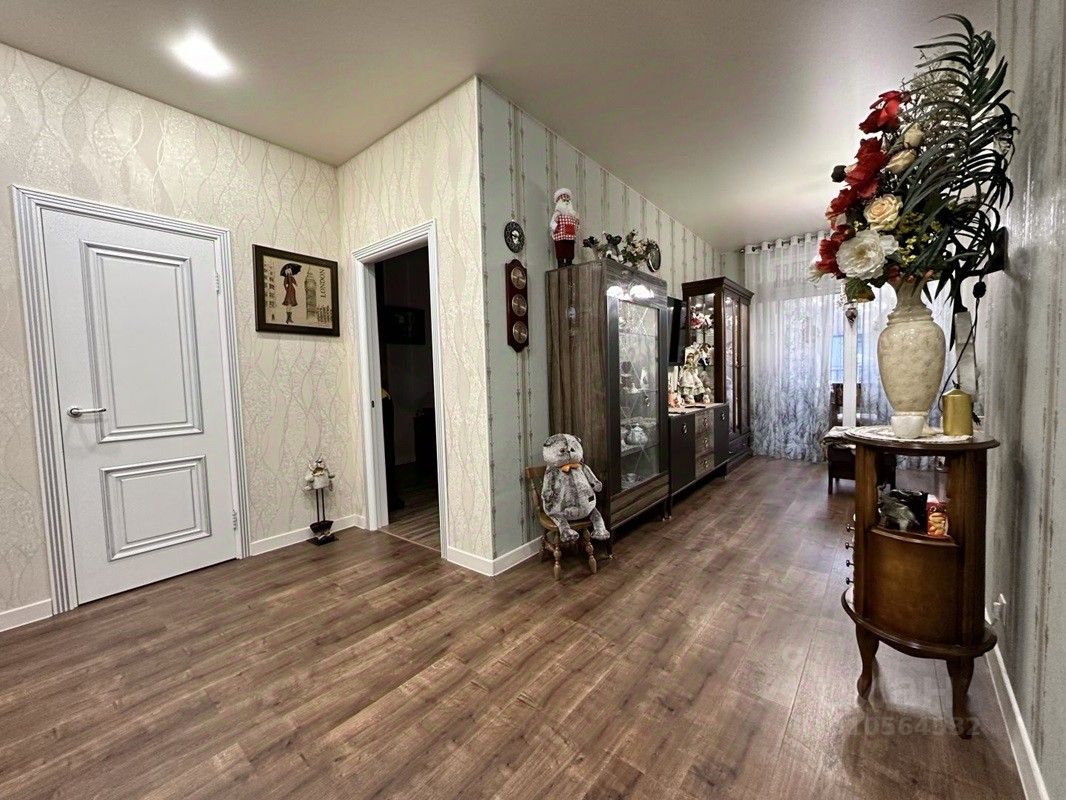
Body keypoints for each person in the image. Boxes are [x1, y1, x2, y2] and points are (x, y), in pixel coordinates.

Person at [549, 188, 580, 267]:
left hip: (570, 235)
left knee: (570, 248)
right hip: (560, 235)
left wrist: (577, 222)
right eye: (564, 201)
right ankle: (561, 263)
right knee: (561, 248)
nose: (566, 202)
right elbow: (552, 223)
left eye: (567, 201)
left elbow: (576, 226)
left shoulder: (572, 215)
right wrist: (555, 227)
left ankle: (569, 262)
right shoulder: (557, 213)